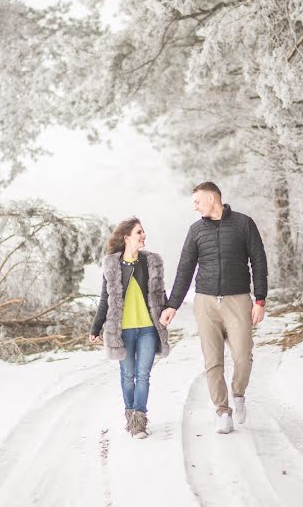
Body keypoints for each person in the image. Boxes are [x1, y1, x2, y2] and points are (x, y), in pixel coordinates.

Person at [159, 182, 268, 434]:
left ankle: (238, 393)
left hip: (238, 299)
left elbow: (259, 262)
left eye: (197, 201)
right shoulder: (196, 230)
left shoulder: (243, 224)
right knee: (212, 361)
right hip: (205, 302)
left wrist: (260, 299)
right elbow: (185, 269)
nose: (195, 207)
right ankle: (222, 412)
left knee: (243, 356)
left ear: (211, 198)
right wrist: (172, 305)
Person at [89, 217, 171, 439]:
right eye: (139, 232)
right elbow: (105, 299)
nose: (143, 236)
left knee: (143, 375)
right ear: (126, 237)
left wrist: (168, 309)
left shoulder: (151, 262)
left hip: (147, 329)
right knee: (127, 375)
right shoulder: (112, 265)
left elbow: (160, 294)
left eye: (143, 232)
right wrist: (95, 327)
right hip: (123, 330)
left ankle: (139, 422)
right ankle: (130, 415)